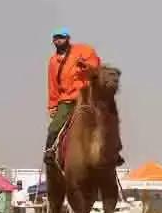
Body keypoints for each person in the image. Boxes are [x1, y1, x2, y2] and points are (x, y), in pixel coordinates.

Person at [45, 29, 124, 166]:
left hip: (87, 95)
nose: (59, 40)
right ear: (53, 41)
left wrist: (85, 66)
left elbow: (96, 68)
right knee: (54, 127)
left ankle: (114, 151)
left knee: (108, 119)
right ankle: (50, 151)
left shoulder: (84, 50)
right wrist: (52, 105)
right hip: (67, 99)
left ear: (68, 38)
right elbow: (53, 84)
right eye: (56, 38)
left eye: (62, 37)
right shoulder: (53, 62)